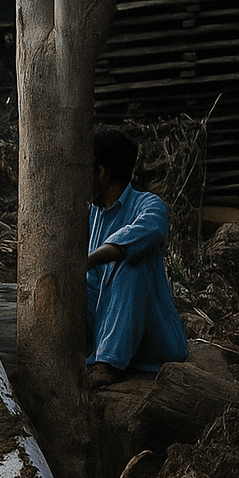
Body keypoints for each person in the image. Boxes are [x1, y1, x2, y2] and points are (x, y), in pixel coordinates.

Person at [85, 128, 188, 387]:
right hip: (102, 328)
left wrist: (88, 261)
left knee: (132, 261)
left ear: (101, 172)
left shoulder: (149, 205)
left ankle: (108, 363)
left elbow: (138, 237)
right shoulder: (93, 214)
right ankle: (102, 352)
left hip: (154, 345)